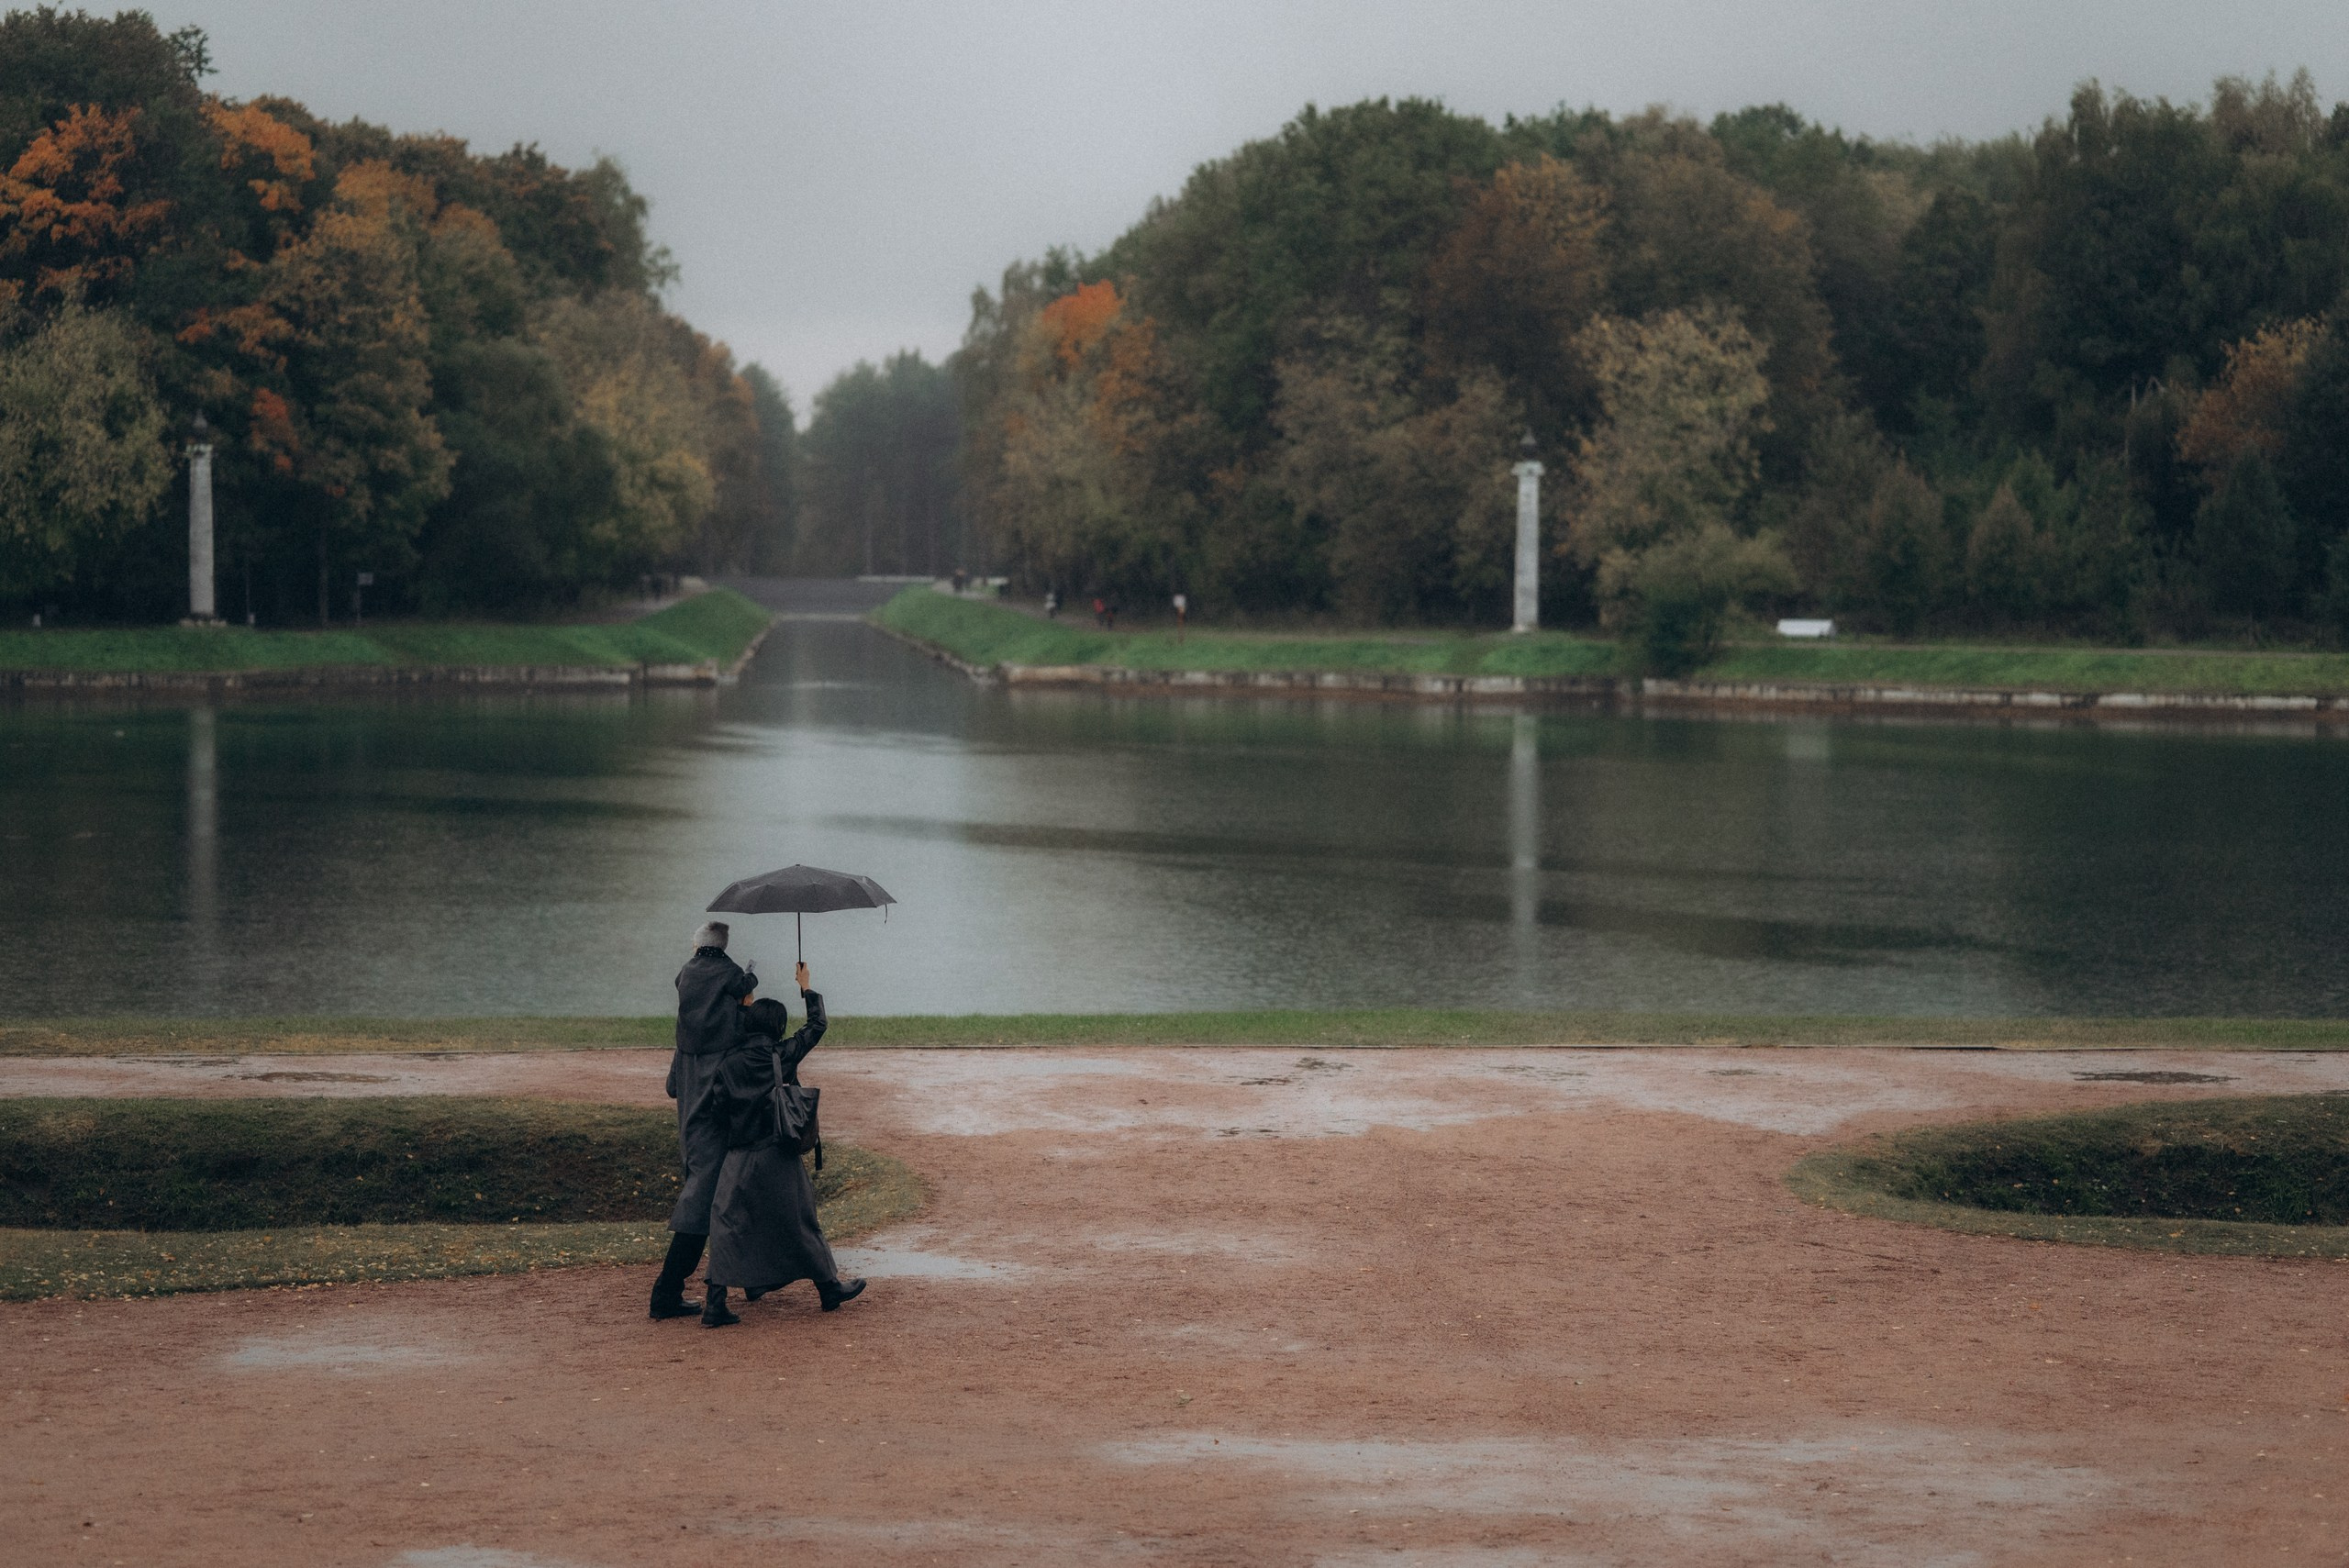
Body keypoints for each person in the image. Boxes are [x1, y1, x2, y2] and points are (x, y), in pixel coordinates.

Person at [699, 962, 868, 1328]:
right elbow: (817, 1026)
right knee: (801, 1221)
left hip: (738, 1157)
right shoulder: (782, 1055)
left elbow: (717, 1110)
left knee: (728, 1225)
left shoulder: (728, 1063)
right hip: (776, 1154)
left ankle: (715, 1303)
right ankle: (828, 1288)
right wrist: (806, 987)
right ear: (776, 1028)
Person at [650, 919, 755, 1320]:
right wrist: (746, 996)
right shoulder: (729, 1045)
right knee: (700, 1211)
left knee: (713, 1203)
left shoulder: (685, 1042)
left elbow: (673, 1088)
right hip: (716, 1133)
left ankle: (747, 1284)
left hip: (689, 1132)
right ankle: (666, 1293)